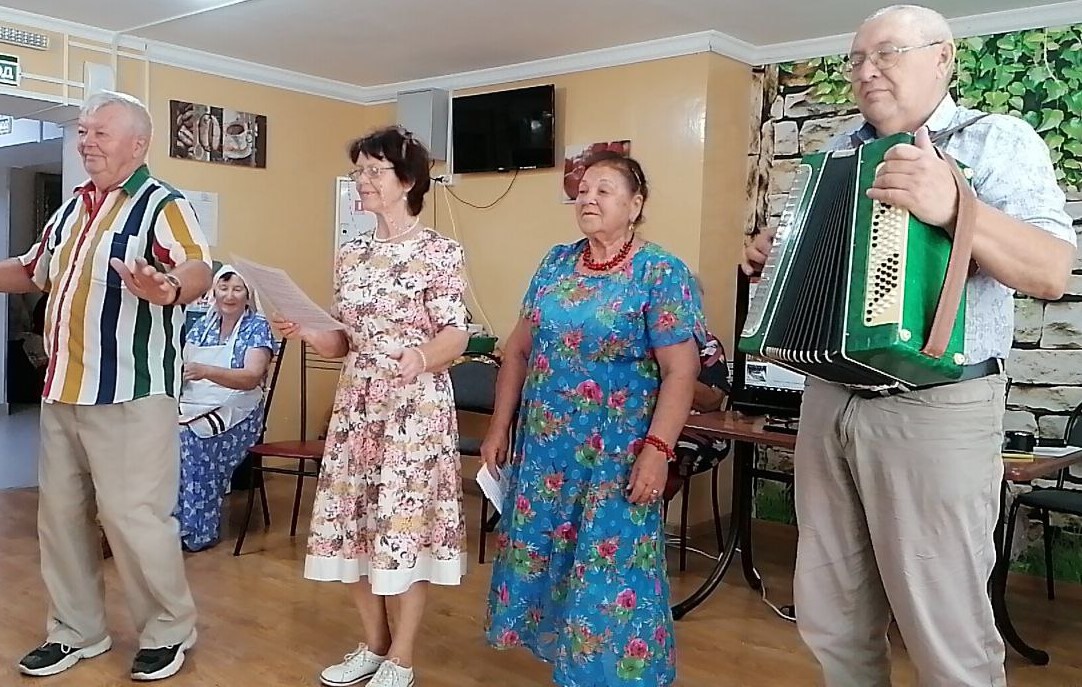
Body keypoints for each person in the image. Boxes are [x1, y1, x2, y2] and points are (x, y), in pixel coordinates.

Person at [742, 5, 1075, 686]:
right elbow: (827, 265)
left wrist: (954, 207)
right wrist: (775, 260)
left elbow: (1050, 270)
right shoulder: (838, 151)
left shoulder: (994, 139)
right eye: (857, 59)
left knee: (944, 626)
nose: (867, 71)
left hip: (937, 402)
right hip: (830, 396)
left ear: (942, 57)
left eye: (887, 53)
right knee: (832, 615)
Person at [1, 91, 212, 681]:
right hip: (63, 390)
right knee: (61, 520)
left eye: (100, 132)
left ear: (138, 144)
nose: (86, 141)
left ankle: (169, 629)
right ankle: (77, 631)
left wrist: (168, 288)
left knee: (134, 520)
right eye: (83, 131)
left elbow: (197, 266)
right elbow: (32, 271)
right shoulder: (71, 209)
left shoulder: (162, 204)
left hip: (131, 392)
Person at [481, 151, 706, 686]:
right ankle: (571, 670)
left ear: (635, 205)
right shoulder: (556, 263)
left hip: (617, 455)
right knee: (551, 560)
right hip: (546, 452)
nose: (588, 198)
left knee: (611, 570)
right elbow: (517, 351)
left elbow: (681, 370)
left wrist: (659, 449)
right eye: (583, 189)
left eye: (604, 189)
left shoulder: (660, 272)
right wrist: (498, 427)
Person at [274, 125, 470, 687]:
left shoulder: (439, 251)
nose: (362, 180)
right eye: (358, 170)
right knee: (353, 524)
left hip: (413, 409)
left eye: (373, 171)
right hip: (357, 405)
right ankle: (375, 643)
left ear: (407, 181)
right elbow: (342, 340)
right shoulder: (351, 254)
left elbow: (455, 333)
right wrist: (306, 329)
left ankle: (402, 656)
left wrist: (420, 357)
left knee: (405, 528)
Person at [176, 264, 275, 552]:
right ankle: (164, 526)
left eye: (237, 289)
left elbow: (251, 377)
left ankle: (197, 530)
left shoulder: (256, 327)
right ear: (214, 292)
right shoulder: (201, 326)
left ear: (248, 294)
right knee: (155, 433)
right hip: (194, 403)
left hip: (240, 410)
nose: (229, 296)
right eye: (224, 288)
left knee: (190, 439)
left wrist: (206, 371)